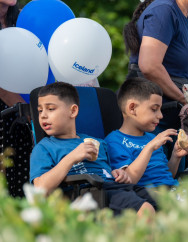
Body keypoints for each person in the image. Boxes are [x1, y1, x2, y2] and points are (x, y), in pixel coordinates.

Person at [29, 82, 156, 217]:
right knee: (145, 210)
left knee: (166, 203)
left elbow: (107, 171)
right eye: (40, 110)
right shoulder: (43, 148)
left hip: (114, 188)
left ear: (73, 111)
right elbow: (40, 189)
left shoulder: (99, 143)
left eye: (50, 109)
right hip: (86, 194)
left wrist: (118, 173)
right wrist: (72, 157)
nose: (43, 115)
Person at [123, 0, 188, 139]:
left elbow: (184, 73)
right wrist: (185, 100)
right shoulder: (163, 10)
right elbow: (149, 66)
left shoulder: (186, 18)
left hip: (174, 116)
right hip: (157, 118)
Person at [105, 78, 188, 188]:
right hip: (148, 195)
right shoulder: (114, 141)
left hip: (171, 191)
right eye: (154, 109)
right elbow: (129, 179)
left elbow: (165, 175)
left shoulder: (151, 138)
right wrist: (150, 147)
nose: (160, 115)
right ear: (132, 108)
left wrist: (176, 156)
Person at [0, 0, 32, 198]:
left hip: (25, 113)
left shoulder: (25, 19)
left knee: (23, 184)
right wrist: (24, 107)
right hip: (11, 110)